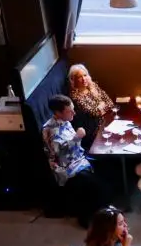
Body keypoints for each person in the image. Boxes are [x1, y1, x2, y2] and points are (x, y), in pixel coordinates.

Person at [42, 94, 110, 228]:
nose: (74, 112)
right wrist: (76, 137)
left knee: (106, 168)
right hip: (66, 166)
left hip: (79, 159)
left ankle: (103, 212)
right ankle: (87, 219)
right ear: (58, 112)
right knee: (92, 185)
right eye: (70, 110)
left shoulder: (66, 121)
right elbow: (57, 152)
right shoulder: (49, 129)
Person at [68, 63, 114, 144]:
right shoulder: (75, 96)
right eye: (79, 77)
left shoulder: (93, 86)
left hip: (106, 119)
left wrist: (100, 108)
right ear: (73, 79)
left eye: (85, 75)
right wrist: (102, 104)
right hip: (93, 127)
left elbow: (110, 102)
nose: (83, 79)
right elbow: (94, 113)